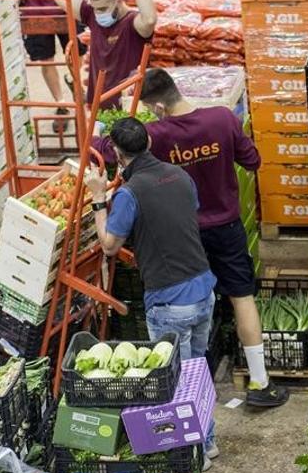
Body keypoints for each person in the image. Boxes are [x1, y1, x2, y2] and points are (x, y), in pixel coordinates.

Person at [93, 68, 288, 408]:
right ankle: (260, 382)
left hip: (184, 234)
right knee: (242, 297)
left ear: (156, 108)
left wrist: (94, 137)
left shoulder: (154, 135)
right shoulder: (223, 119)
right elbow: (253, 160)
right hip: (227, 226)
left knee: (195, 303)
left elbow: (109, 151)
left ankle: (194, 393)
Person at [84, 118, 219, 465]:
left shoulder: (131, 193)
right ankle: (208, 440)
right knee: (196, 372)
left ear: (116, 153)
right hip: (204, 291)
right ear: (148, 143)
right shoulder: (179, 175)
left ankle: (194, 453)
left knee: (175, 381)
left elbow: (110, 245)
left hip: (170, 301)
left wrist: (99, 199)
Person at [52, 0, 157, 110]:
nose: (98, 13)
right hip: (99, 105)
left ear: (118, 0)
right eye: (95, 8)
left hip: (131, 108)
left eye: (102, 8)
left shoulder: (132, 24)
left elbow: (149, 19)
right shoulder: (91, 14)